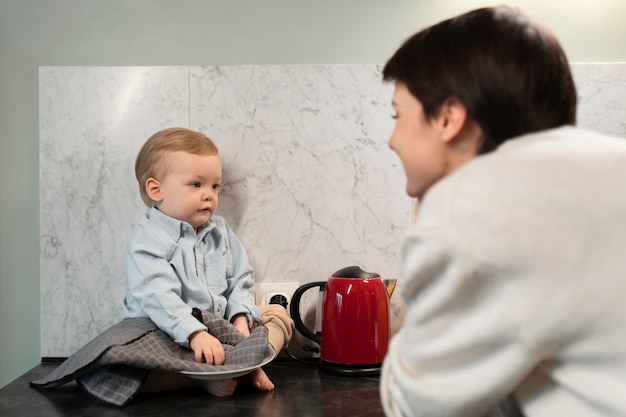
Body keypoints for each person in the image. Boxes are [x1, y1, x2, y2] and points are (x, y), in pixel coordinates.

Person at [380, 6, 626, 417]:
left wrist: (429, 217)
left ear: (448, 117)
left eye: (397, 114)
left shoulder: (467, 204)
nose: (392, 140)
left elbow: (417, 406)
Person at [123, 127, 293, 397]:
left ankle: (241, 360)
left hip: (221, 329)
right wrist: (195, 335)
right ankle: (203, 377)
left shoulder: (220, 231)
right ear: (157, 189)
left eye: (215, 185)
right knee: (124, 363)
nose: (209, 194)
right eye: (196, 184)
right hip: (167, 331)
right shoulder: (147, 240)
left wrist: (240, 320)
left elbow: (240, 280)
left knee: (278, 315)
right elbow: (159, 298)